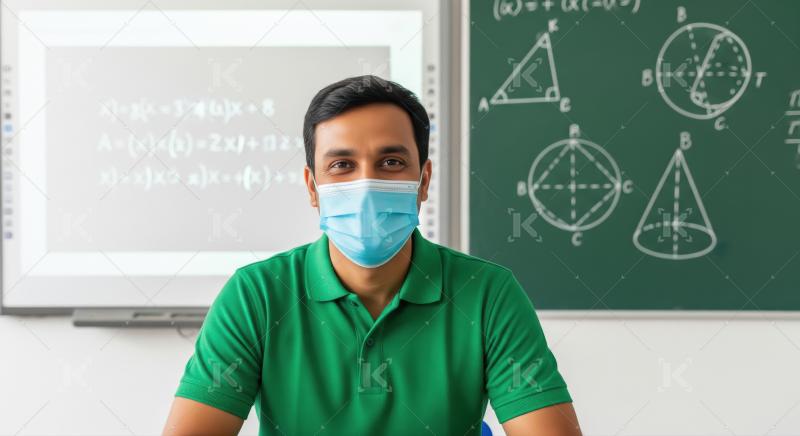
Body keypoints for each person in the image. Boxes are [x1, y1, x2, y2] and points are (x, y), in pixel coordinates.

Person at [163, 75, 581, 435]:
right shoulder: (256, 294)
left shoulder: (487, 293)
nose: (366, 184)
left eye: (391, 162)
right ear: (313, 187)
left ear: (423, 180)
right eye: (342, 165)